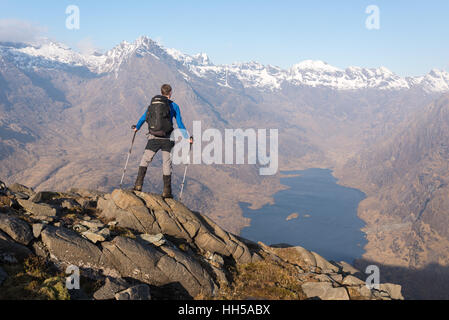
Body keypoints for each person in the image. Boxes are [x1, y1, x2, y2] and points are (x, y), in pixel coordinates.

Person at [133, 84, 192, 198]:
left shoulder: (154, 105)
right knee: (166, 164)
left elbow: (144, 117)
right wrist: (187, 137)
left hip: (153, 137)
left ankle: (138, 185)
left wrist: (137, 128)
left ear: (161, 92)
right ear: (170, 93)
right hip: (168, 139)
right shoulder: (174, 106)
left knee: (145, 160)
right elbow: (179, 123)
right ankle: (166, 192)